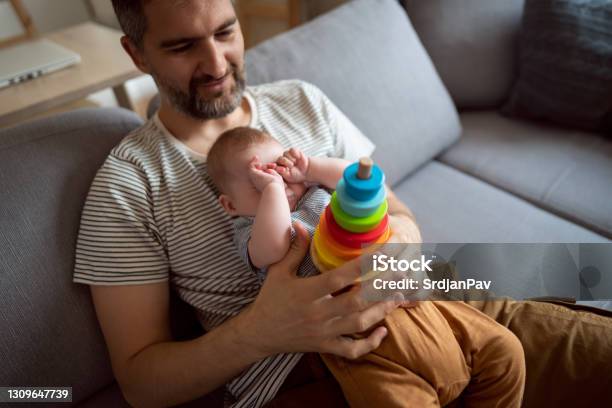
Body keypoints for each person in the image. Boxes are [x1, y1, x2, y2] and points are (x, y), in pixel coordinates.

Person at [74, 1, 612, 407]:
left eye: (225, 31)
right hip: (310, 369)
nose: (216, 62)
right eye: (182, 45)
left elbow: (395, 210)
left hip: (426, 294)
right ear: (136, 52)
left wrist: (400, 246)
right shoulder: (127, 185)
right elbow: (140, 380)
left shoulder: (301, 100)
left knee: (590, 342)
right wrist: (262, 330)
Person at [206, 127, 525, 407]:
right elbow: (273, 247)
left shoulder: (317, 191)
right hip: (353, 332)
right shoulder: (250, 228)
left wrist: (310, 169)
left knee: (505, 351)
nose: (279, 181)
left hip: (405, 294)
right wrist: (273, 190)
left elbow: (359, 179)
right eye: (257, 183)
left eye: (279, 169)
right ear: (230, 205)